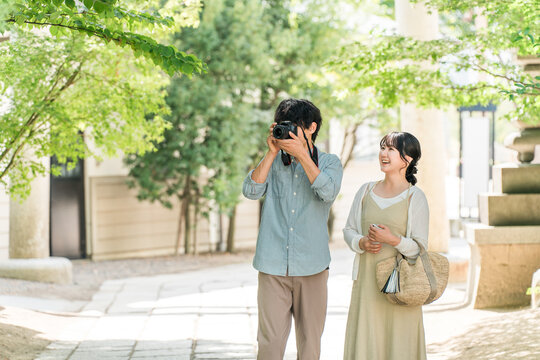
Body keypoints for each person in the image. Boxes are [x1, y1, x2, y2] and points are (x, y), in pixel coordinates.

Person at [242, 98, 343, 360]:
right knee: (269, 344)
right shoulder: (273, 161)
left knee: (310, 344)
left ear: (311, 127)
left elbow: (328, 191)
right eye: (283, 126)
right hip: (272, 264)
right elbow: (251, 191)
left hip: (313, 266)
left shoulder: (330, 162)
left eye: (294, 126)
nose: (288, 132)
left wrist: (302, 155)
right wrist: (272, 152)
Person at [342, 131, 429, 360]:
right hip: (366, 283)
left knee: (399, 344)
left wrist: (393, 240)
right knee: (366, 343)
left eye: (391, 149)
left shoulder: (415, 197)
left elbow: (420, 248)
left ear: (407, 159)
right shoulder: (365, 191)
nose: (384, 154)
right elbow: (349, 230)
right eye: (383, 148)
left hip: (401, 287)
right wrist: (360, 242)